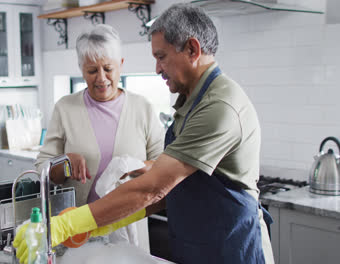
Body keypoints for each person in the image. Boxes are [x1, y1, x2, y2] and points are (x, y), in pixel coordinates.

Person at [15, 4, 274, 264]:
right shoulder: (192, 101)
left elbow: (154, 187)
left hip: (233, 248)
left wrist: (65, 225)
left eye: (161, 57)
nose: (157, 68)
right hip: (201, 243)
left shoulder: (218, 106)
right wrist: (100, 225)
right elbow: (173, 190)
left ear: (192, 50)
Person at [33, 24, 164, 249]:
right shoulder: (65, 108)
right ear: (81, 69)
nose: (101, 78)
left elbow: (164, 166)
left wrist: (137, 166)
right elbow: (42, 170)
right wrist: (64, 163)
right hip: (78, 232)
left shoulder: (142, 108)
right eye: (92, 71)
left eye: (108, 69)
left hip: (129, 227)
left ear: (120, 65)